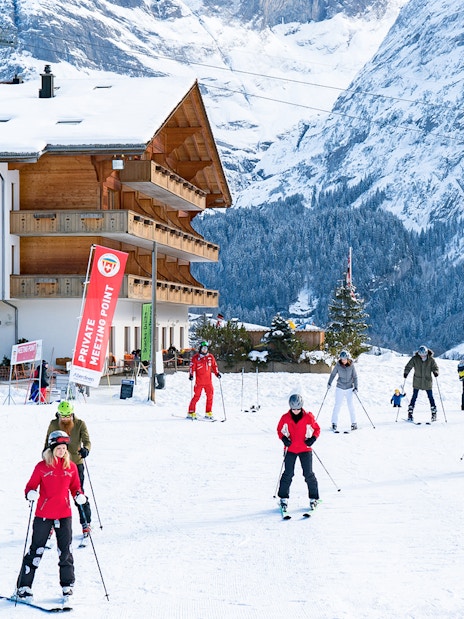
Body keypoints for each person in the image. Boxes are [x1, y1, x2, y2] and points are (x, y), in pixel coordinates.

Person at [15, 430, 87, 601]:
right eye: (59, 448)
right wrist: (31, 493)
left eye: (64, 448)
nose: (62, 451)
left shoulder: (71, 467)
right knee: (36, 551)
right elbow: (30, 486)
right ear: (52, 448)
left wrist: (78, 495)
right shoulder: (42, 466)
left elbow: (76, 487)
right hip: (44, 514)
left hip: (64, 514)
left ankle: (67, 586)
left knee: (65, 552)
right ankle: (23, 587)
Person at [44, 400, 92, 534]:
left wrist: (86, 449)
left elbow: (87, 441)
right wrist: (45, 455)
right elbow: (48, 440)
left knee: (78, 494)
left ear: (72, 414)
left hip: (76, 464)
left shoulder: (80, 424)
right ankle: (52, 524)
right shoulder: (54, 424)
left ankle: (86, 522)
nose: (65, 419)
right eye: (62, 416)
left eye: (67, 416)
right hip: (57, 464)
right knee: (55, 495)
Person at [276, 394, 320, 513]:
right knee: (288, 474)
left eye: (298, 409)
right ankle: (283, 498)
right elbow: (279, 430)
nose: (295, 411)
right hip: (290, 449)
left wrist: (312, 439)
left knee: (308, 474)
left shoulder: (308, 417)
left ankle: (313, 498)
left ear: (301, 407)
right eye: (293, 409)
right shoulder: (285, 417)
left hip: (305, 449)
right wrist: (284, 439)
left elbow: (317, 429)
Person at [403, 345, 439, 423]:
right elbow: (408, 366)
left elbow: (435, 367)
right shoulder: (415, 359)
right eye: (421, 354)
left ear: (426, 353)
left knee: (430, 397)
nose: (422, 355)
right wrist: (406, 373)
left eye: (424, 354)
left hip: (427, 381)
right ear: (418, 353)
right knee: (414, 397)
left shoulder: (431, 360)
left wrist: (435, 372)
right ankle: (410, 413)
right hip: (417, 381)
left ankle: (434, 413)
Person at [187, 341, 221, 419]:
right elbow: (192, 367)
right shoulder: (196, 358)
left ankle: (208, 412)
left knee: (210, 396)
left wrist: (217, 373)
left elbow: (214, 366)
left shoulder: (210, 357)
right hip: (199, 382)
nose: (205, 350)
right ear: (200, 349)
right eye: (203, 348)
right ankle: (191, 411)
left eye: (206, 348)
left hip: (208, 382)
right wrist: (191, 375)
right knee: (196, 396)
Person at [328, 350, 358, 432]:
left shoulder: (351, 366)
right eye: (341, 359)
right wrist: (329, 382)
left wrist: (356, 387)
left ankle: (354, 423)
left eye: (344, 359)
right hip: (340, 387)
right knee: (337, 405)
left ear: (348, 358)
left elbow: (355, 377)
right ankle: (334, 423)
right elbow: (333, 374)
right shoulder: (338, 365)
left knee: (350, 405)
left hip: (349, 388)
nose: (343, 361)